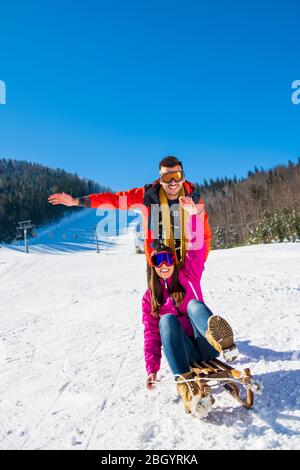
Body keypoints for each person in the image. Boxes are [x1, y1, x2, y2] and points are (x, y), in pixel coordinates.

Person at [142, 196, 239, 417]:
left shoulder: (189, 276)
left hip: (206, 344)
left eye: (168, 258)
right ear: (153, 267)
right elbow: (150, 334)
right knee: (165, 321)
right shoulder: (150, 298)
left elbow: (197, 247)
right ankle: (186, 386)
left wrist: (193, 217)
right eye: (158, 261)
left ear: (174, 261)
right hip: (183, 353)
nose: (164, 265)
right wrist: (152, 368)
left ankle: (223, 342)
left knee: (194, 304)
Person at [48, 156, 212, 283]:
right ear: (160, 180)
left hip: (187, 263)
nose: (173, 182)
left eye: (177, 175)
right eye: (167, 177)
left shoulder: (194, 199)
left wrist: (199, 263)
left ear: (183, 177)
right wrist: (77, 201)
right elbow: (113, 200)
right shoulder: (148, 196)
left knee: (190, 306)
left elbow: (203, 234)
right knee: (160, 311)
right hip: (157, 265)